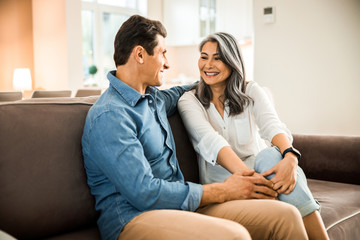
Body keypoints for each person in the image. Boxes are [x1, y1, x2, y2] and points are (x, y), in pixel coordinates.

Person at [82, 15, 309, 240]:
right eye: (163, 53)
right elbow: (144, 192)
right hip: (134, 219)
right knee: (234, 236)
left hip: (180, 208)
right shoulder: (111, 115)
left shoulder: (154, 100)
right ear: (140, 54)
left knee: (286, 216)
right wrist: (224, 191)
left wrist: (233, 80)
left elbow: (192, 88)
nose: (167, 63)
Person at [178, 32, 330, 240]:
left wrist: (291, 158)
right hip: (227, 188)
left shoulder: (251, 91)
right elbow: (211, 142)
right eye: (204, 57)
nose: (208, 65)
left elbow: (272, 125)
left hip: (265, 177)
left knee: (270, 155)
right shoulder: (189, 101)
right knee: (274, 169)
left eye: (218, 58)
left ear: (232, 62)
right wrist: (253, 182)